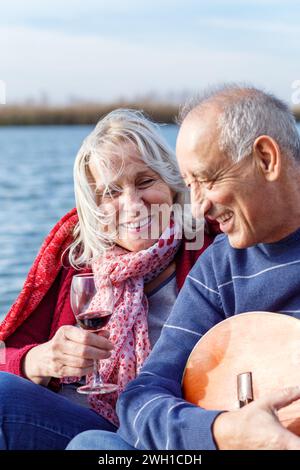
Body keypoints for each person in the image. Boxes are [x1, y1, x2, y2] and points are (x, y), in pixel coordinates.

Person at [67, 85, 300, 451]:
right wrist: (221, 431)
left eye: (206, 180)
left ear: (267, 159)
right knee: (94, 446)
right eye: (190, 185)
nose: (197, 209)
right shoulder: (220, 265)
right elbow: (143, 396)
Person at [0, 109, 215, 450]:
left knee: (92, 445)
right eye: (110, 193)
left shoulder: (208, 249)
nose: (132, 204)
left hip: (166, 436)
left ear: (173, 185)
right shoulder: (74, 260)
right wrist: (39, 360)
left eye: (145, 181)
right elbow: (5, 355)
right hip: (77, 423)